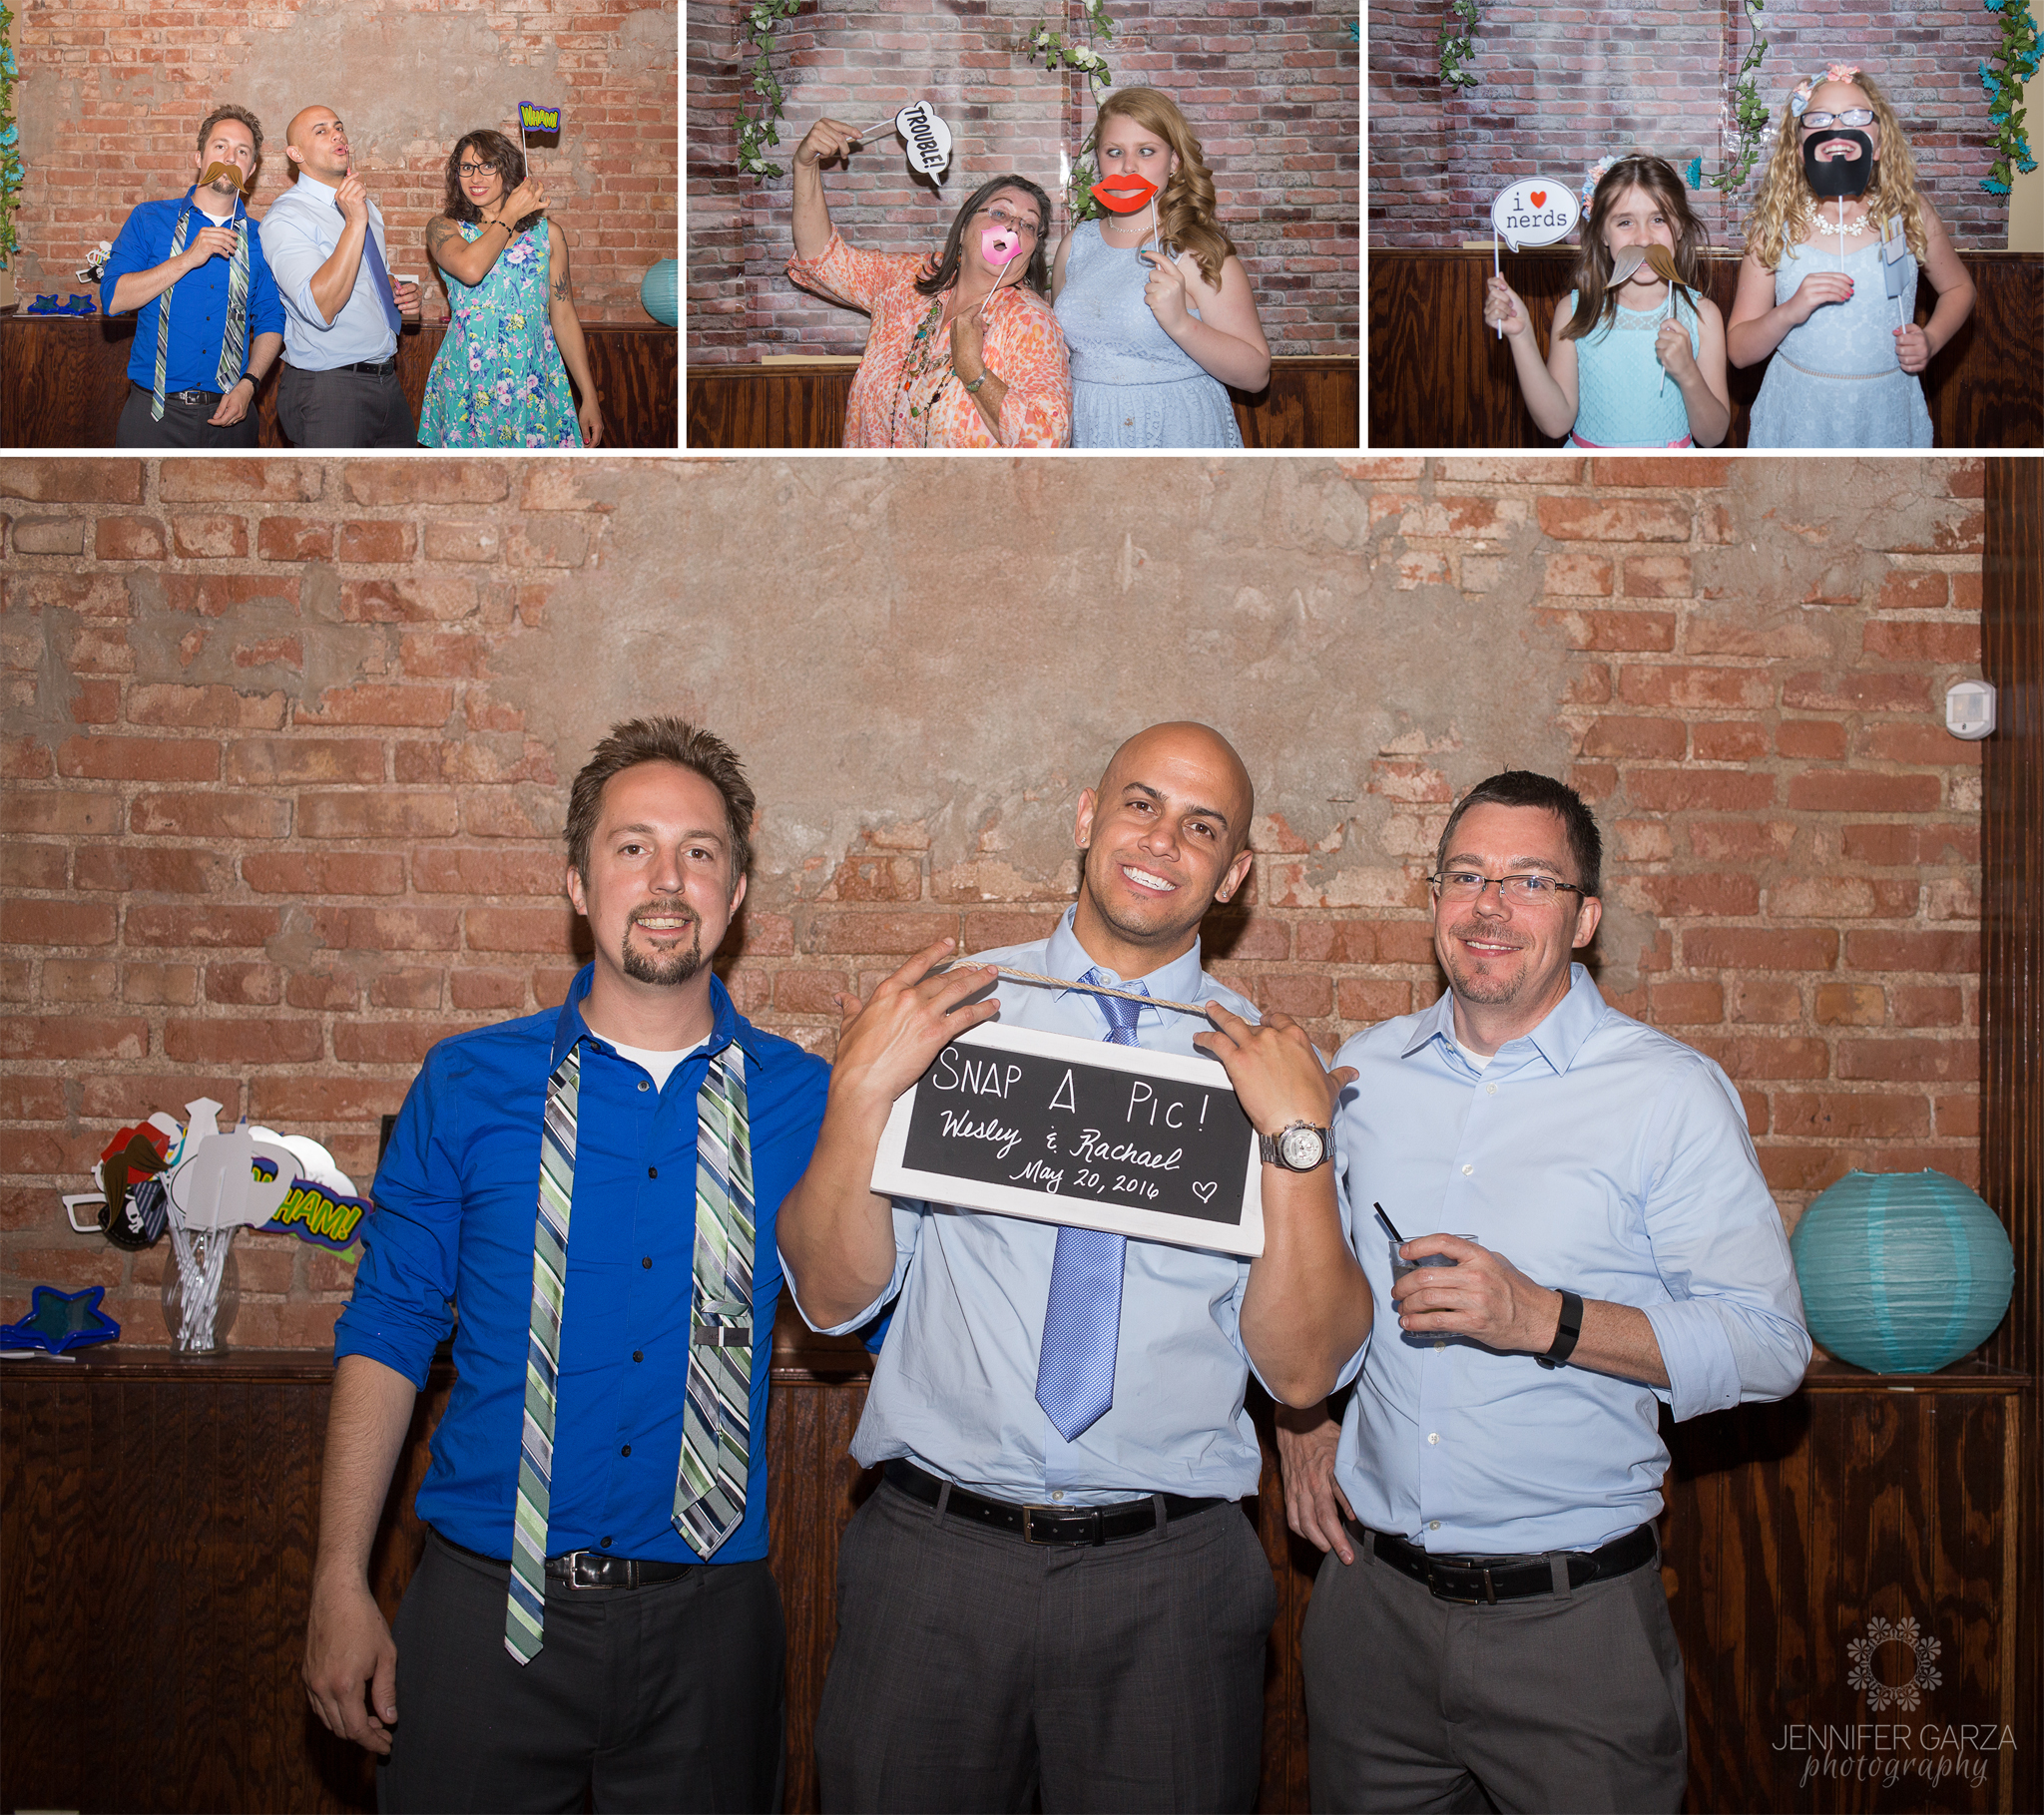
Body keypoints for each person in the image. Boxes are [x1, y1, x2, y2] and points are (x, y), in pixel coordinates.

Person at [778, 721, 1372, 1813]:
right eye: (1140, 803)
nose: (1163, 839)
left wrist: (1297, 1144)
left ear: (1233, 874)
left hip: (1170, 1581)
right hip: (933, 1558)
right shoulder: (950, 1016)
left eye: (1204, 826)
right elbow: (828, 1298)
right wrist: (857, 1094)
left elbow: (1298, 1375)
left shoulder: (1268, 1065)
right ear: (1087, 820)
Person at [301, 718, 829, 1814]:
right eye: (632, 846)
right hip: (480, 1613)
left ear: (735, 895)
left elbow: (863, 1304)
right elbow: (389, 1328)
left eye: (700, 851)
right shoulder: (466, 1083)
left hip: (710, 1625)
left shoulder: (809, 1102)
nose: (667, 878)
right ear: (578, 884)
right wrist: (338, 1578)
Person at [1277, 769, 1810, 1814]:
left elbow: (1767, 1346)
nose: (1488, 904)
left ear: (1583, 916)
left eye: (1528, 879)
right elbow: (1312, 1285)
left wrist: (1543, 1319)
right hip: (1367, 1616)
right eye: (1464, 874)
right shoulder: (1361, 1076)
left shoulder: (1666, 1093)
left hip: (1571, 1631)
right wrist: (1299, 1418)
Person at [1729, 66, 1975, 448]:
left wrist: (1931, 338)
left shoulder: (1908, 213)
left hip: (1885, 411)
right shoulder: (1775, 226)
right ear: (1798, 149)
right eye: (1820, 118)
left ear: (1878, 144)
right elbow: (1740, 352)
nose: (1838, 127)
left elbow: (1959, 288)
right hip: (1799, 414)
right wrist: (1790, 310)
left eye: (1857, 116)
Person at [786, 127, 1070, 447]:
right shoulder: (911, 280)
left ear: (1032, 247)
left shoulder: (1030, 321)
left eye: (1028, 224)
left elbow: (1048, 440)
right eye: (1000, 212)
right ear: (964, 229)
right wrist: (805, 166)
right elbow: (821, 259)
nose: (1013, 227)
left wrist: (971, 369)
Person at [1053, 88, 1270, 448]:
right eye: (1114, 152)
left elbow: (1256, 375)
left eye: (1146, 151)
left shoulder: (1199, 252)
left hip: (1176, 429)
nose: (1128, 166)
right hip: (1091, 428)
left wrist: (1181, 323)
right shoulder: (1075, 245)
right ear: (1100, 161)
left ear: (1174, 162)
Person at [1484, 153, 1731, 448]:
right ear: (1602, 232)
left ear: (1679, 228)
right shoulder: (1575, 311)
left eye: (1658, 219)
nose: (1643, 239)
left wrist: (1689, 374)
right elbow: (1555, 423)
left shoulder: (1702, 316)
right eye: (1625, 222)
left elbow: (1714, 435)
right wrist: (1522, 335)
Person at [100, 105, 286, 448]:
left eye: (241, 152)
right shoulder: (148, 219)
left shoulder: (262, 238)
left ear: (251, 170)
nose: (230, 158)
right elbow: (113, 299)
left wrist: (249, 385)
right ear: (199, 157)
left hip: (233, 418)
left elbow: (272, 320)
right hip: (153, 418)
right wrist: (187, 258)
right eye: (220, 147)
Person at [419, 129, 604, 448]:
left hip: (532, 378)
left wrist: (588, 397)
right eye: (466, 167)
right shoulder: (443, 227)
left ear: (509, 171)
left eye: (487, 165)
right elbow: (472, 269)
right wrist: (510, 214)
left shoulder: (549, 235)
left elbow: (562, 316)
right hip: (467, 383)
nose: (475, 176)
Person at [259, 104, 422, 447]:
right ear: (296, 153)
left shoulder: (363, 207)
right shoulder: (287, 216)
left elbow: (365, 283)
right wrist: (354, 222)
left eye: (339, 127)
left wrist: (401, 296)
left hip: (388, 381)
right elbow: (320, 307)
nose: (338, 134)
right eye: (321, 131)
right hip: (330, 389)